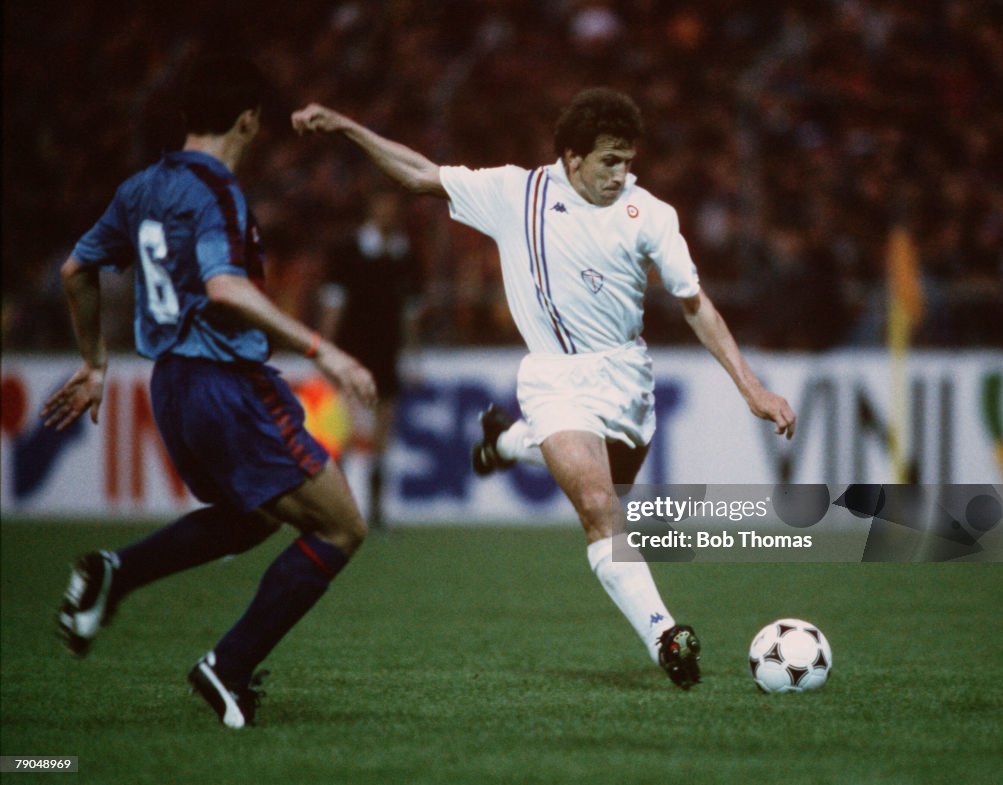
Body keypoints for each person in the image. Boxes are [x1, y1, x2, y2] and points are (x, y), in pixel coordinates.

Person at [291, 87, 796, 690]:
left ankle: (506, 443)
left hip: (627, 382)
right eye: (610, 160)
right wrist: (348, 126)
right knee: (597, 507)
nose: (621, 174)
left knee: (611, 492)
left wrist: (751, 388)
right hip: (555, 376)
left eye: (629, 161)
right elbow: (418, 175)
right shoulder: (518, 193)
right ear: (572, 156)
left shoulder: (651, 215)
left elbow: (696, 307)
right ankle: (666, 636)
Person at [44, 55, 377, 728]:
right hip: (228, 383)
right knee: (341, 525)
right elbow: (225, 287)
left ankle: (117, 571)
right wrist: (325, 350)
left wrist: (95, 362)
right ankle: (228, 665)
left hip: (171, 388)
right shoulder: (217, 189)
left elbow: (77, 266)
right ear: (249, 120)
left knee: (252, 515)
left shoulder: (141, 187)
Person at [317, 190, 420, 528]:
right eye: (384, 203)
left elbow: (410, 314)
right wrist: (325, 351)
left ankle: (375, 512)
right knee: (343, 432)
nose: (389, 212)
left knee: (381, 436)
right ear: (372, 207)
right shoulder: (347, 252)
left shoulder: (406, 256)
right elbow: (334, 306)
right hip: (352, 353)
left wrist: (412, 355)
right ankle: (339, 509)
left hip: (387, 353)